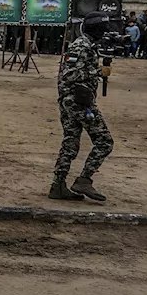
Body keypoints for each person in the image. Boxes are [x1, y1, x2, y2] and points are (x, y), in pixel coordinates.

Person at [51, 12, 117, 201]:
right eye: (103, 28)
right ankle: (84, 180)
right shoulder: (82, 46)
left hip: (72, 101)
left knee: (70, 143)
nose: (105, 32)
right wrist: (97, 71)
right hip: (78, 102)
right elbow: (70, 75)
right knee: (104, 142)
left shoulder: (87, 45)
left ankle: (58, 186)